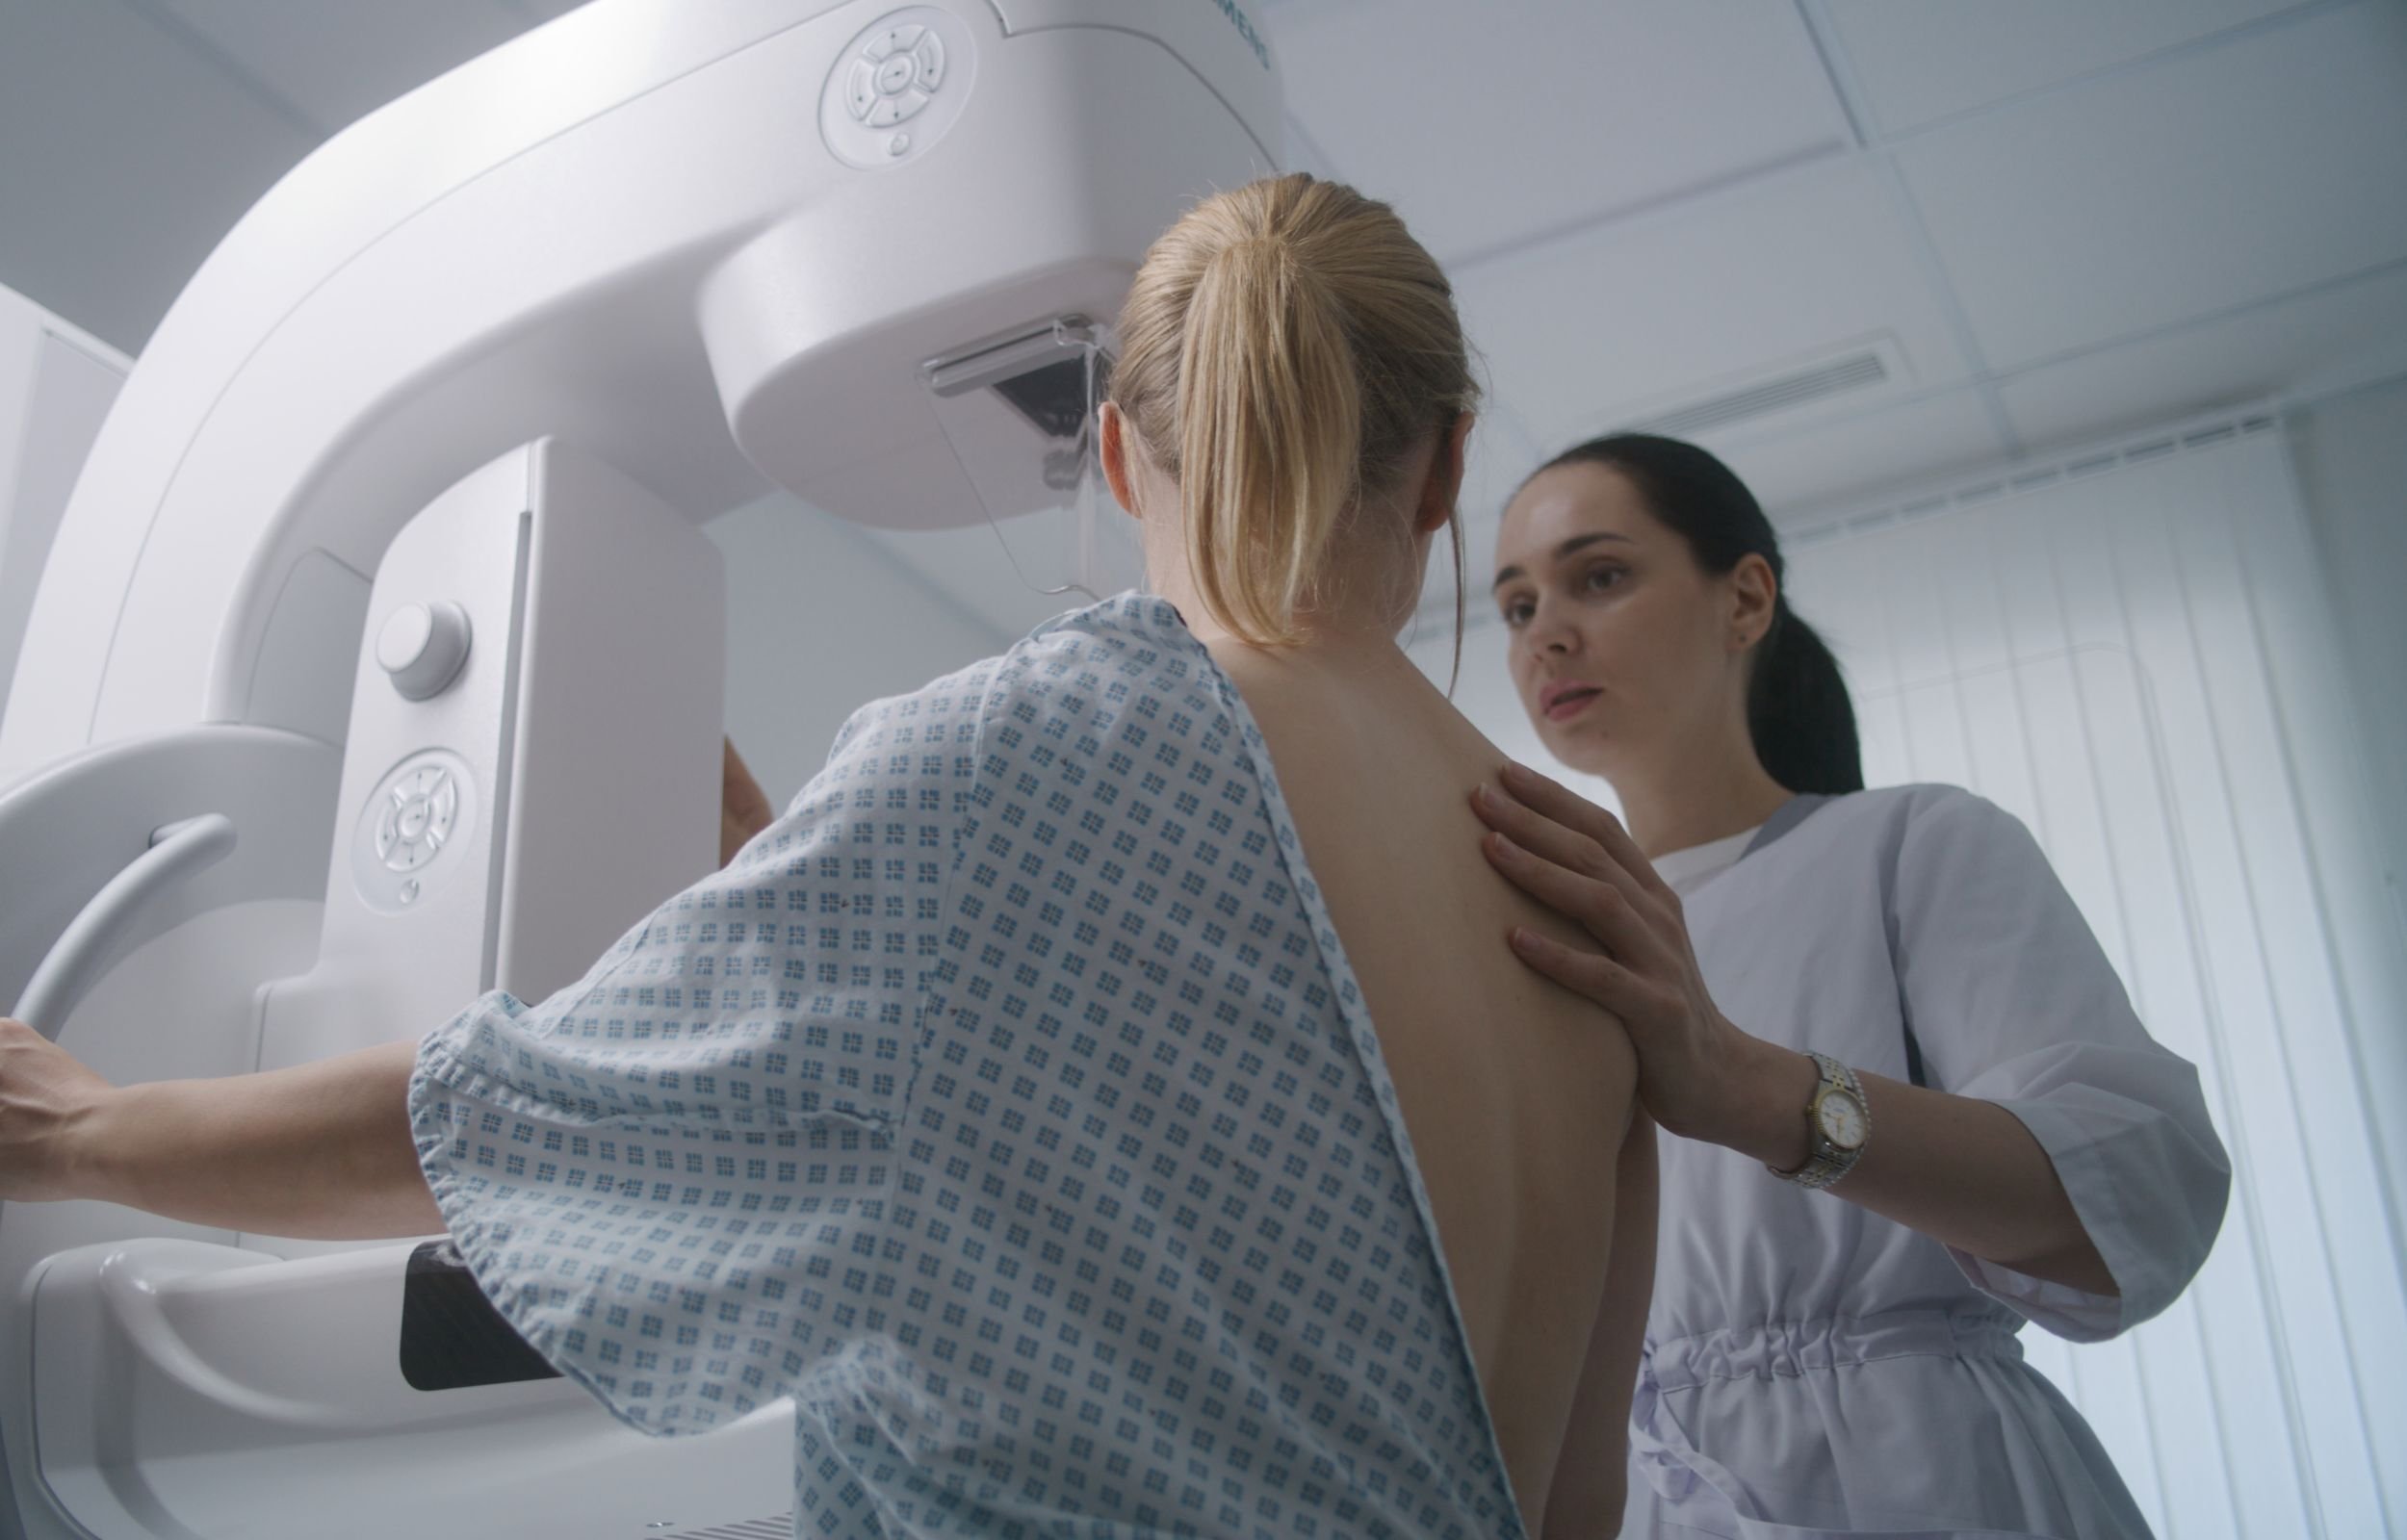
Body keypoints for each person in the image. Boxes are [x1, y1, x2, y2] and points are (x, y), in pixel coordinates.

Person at [0, 174, 1654, 1538]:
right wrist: (807, 864)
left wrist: (85, 1131)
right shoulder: (1595, 895)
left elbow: (501, 1119)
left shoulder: (1017, 764)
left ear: (1118, 454)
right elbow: (1561, 1486)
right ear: (1447, 464)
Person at [1470, 433, 2232, 1538]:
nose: (1547, 634)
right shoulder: (1529, 946)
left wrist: (1746, 1087)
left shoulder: (1911, 844)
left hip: (1927, 1479)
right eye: (1514, 605)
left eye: (1599, 575)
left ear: (1743, 599)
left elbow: (2134, 1199)